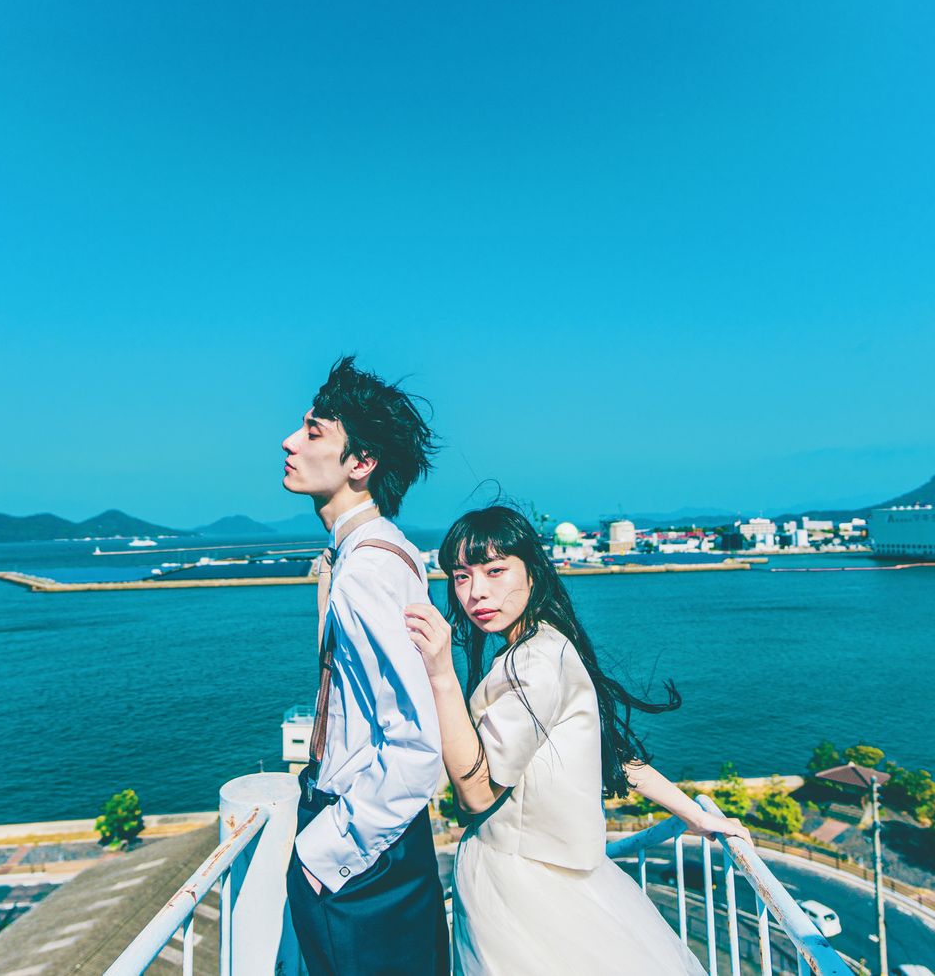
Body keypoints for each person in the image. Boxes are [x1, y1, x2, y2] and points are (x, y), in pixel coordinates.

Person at [404, 506, 750, 975]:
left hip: (520, 886)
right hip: (551, 879)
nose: (476, 591)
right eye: (461, 576)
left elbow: (476, 794)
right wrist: (694, 814)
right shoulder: (548, 644)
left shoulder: (533, 664)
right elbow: (612, 755)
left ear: (533, 572)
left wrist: (440, 673)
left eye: (495, 570)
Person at [279, 356, 450, 976]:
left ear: (362, 462)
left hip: (361, 855)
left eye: (313, 432)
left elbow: (417, 744)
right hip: (381, 844)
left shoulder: (366, 571)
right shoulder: (385, 552)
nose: (290, 442)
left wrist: (324, 855)